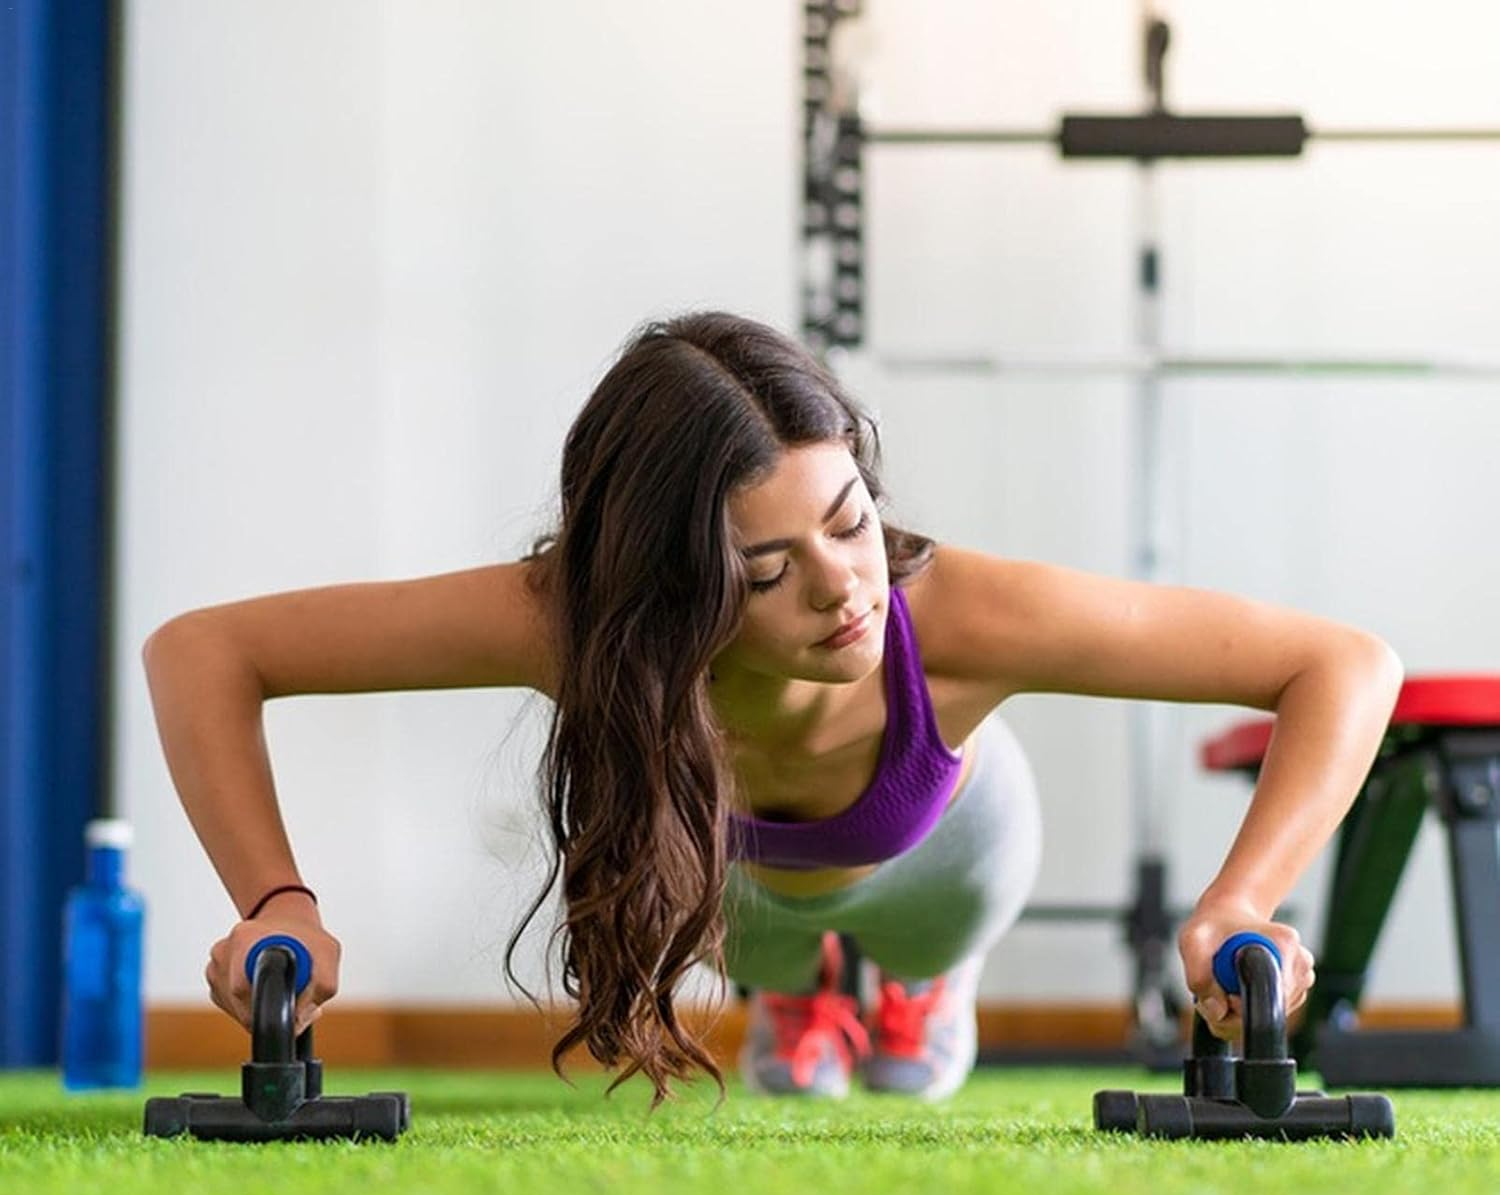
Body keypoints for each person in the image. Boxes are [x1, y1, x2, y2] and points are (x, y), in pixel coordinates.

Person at [143, 310, 1404, 1113]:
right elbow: (204, 652)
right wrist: (277, 899)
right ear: (667, 589)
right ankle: (801, 994)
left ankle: (920, 987)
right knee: (744, 928)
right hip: (737, 886)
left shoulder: (960, 612)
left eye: (850, 521)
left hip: (945, 863)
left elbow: (1345, 665)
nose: (845, 587)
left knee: (915, 1000)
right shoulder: (569, 619)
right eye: (765, 572)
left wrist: (1241, 899)